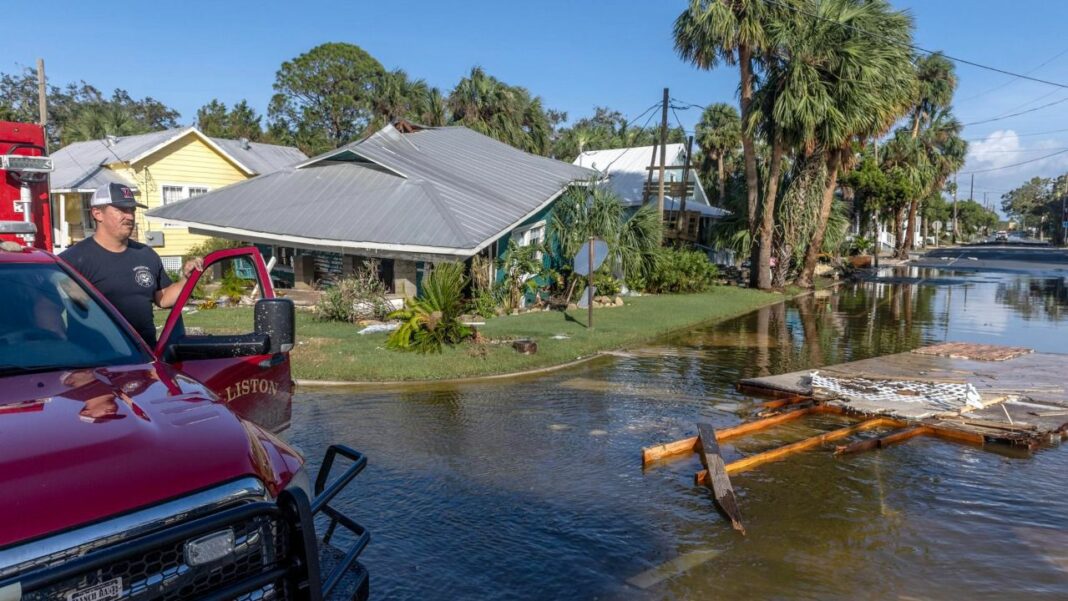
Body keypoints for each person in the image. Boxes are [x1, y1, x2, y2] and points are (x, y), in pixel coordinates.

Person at [60, 183, 202, 346]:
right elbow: (48, 306)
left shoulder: (146, 254)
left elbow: (163, 298)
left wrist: (187, 279)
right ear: (97, 213)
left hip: (144, 357)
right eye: (122, 209)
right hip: (93, 362)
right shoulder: (73, 260)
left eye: (132, 210)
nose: (130, 216)